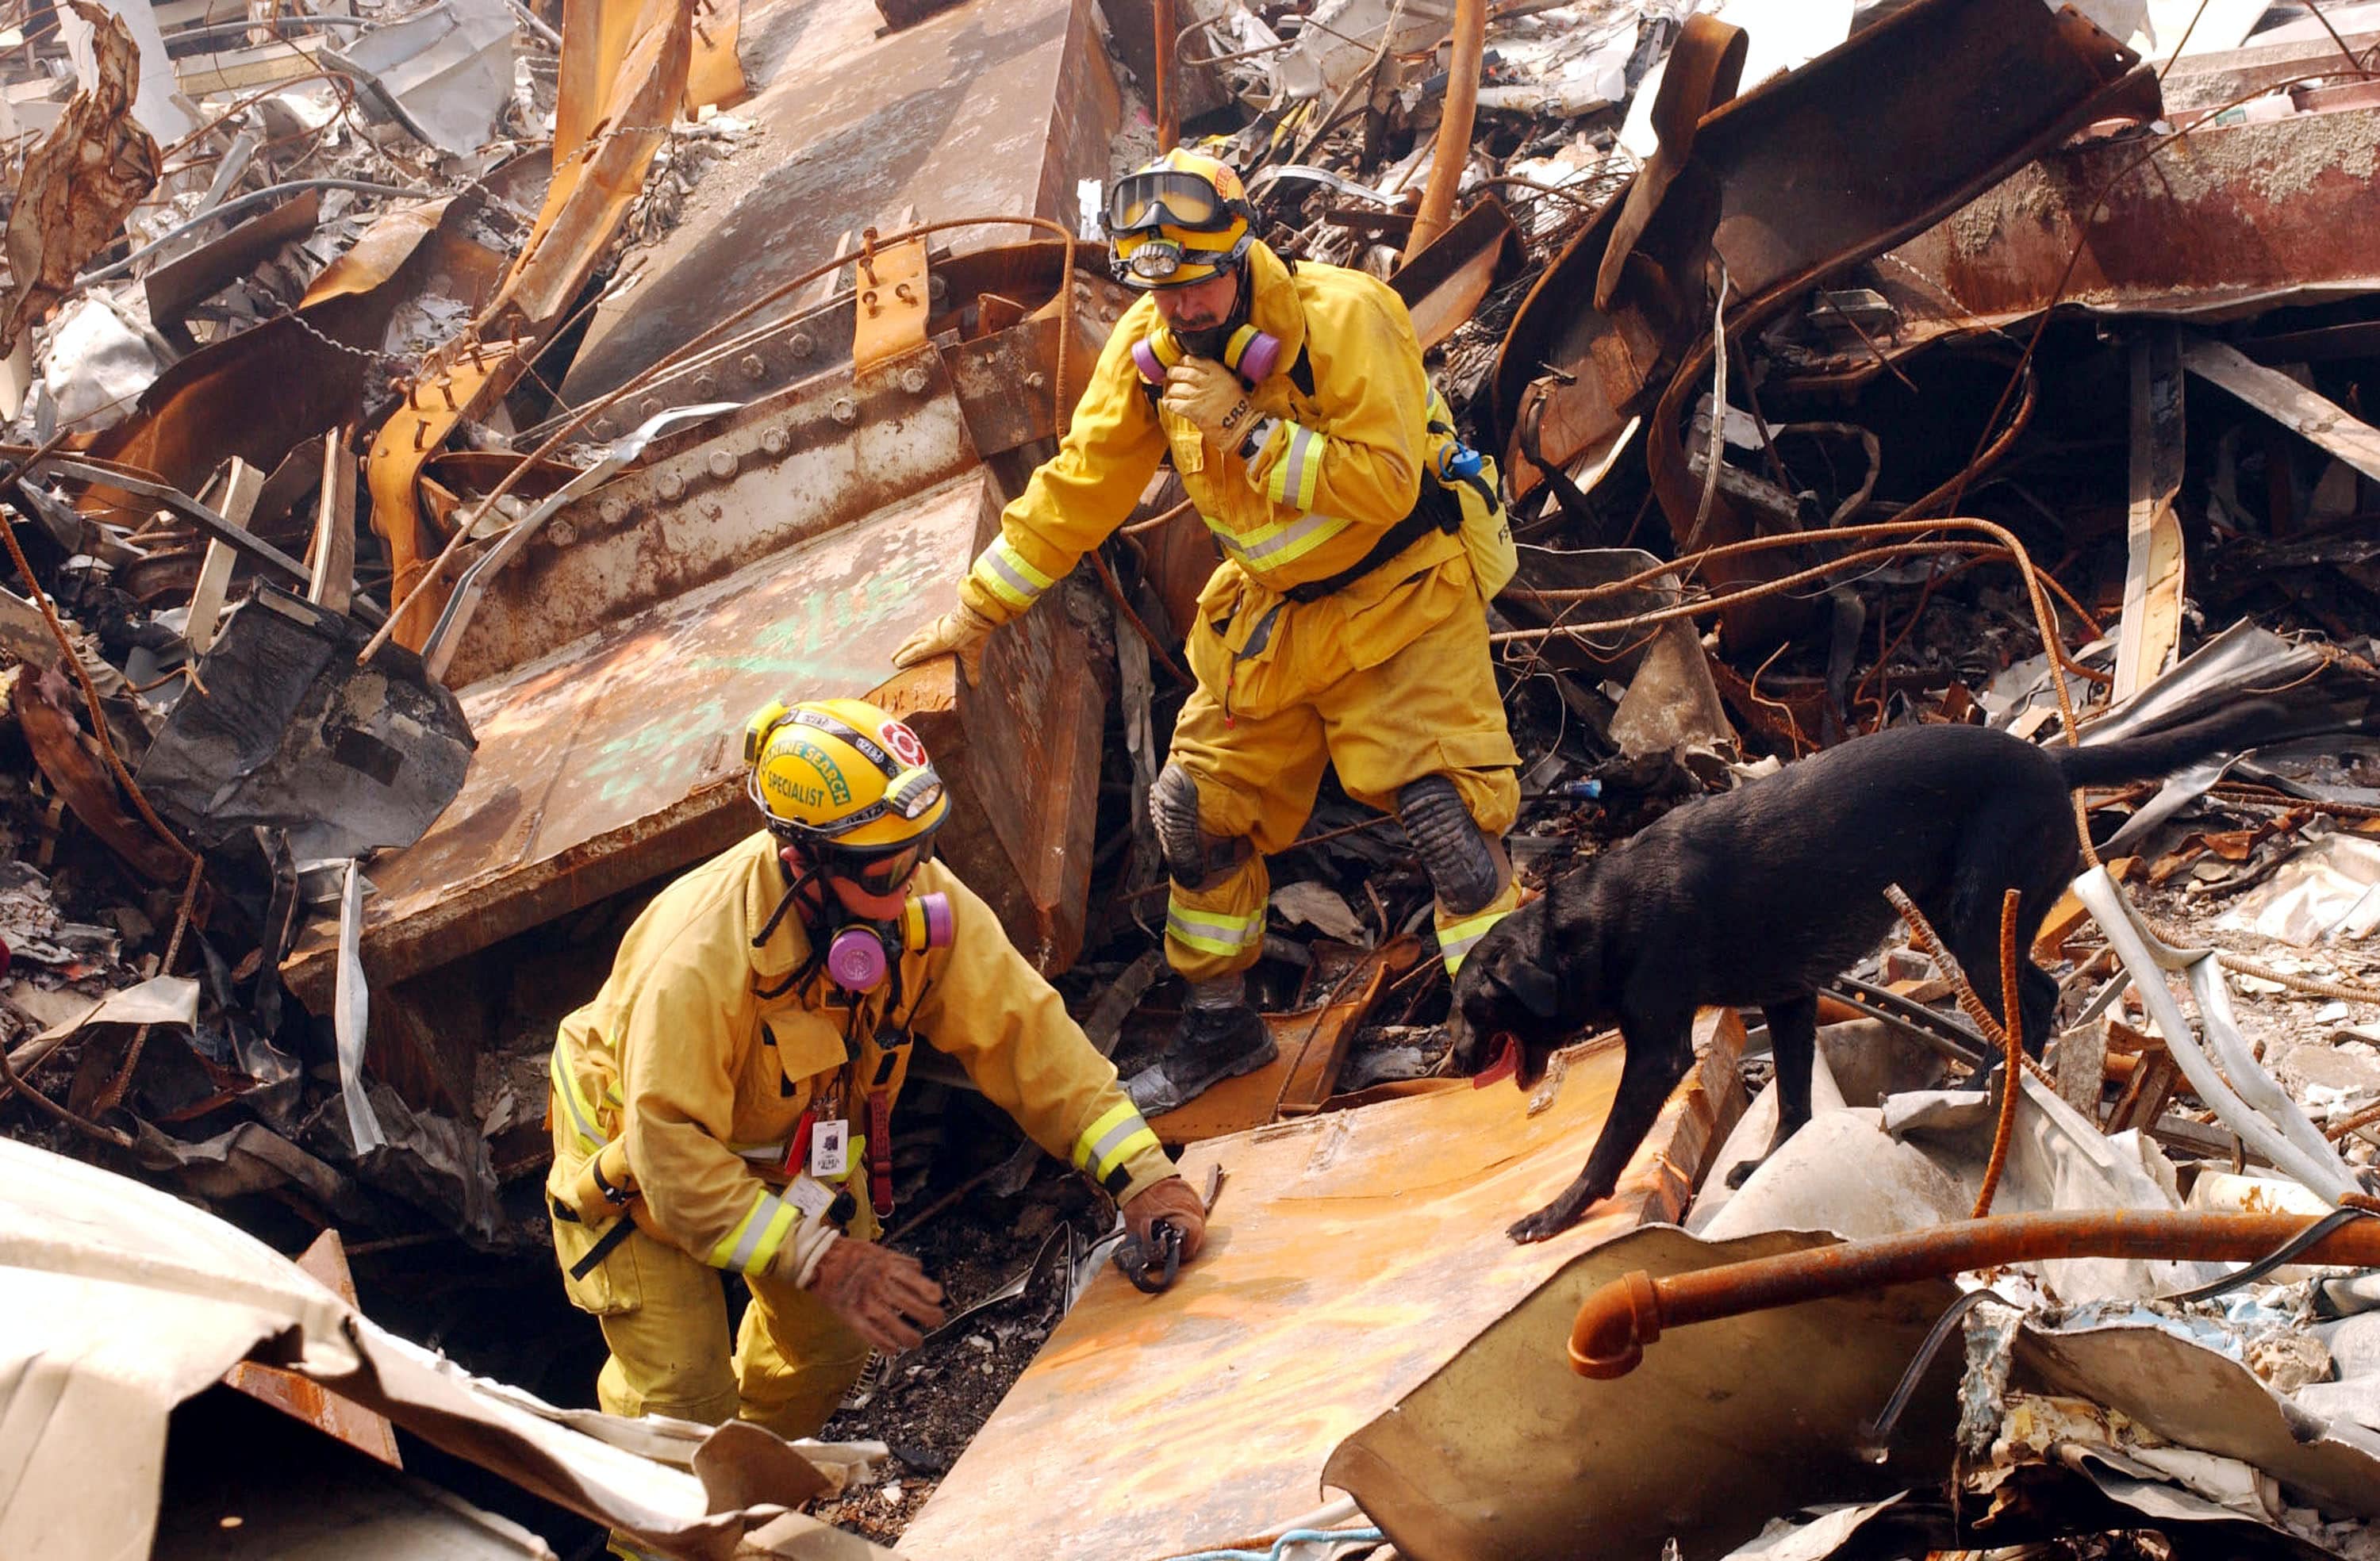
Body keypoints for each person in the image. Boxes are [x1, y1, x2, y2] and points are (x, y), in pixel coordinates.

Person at [892, 148, 1524, 1114]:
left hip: (1400, 591)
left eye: (1196, 285)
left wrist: (1255, 432)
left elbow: (1387, 483)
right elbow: (1077, 491)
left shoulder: (1346, 319)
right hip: (1275, 615)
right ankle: (1221, 1029)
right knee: (1194, 811)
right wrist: (978, 613)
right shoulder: (1150, 354)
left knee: (1447, 822)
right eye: (1160, 291)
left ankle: (1506, 1029)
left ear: (1243, 251)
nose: (1181, 311)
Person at [546, 697, 1205, 1501]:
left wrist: (1142, 1175)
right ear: (803, 862)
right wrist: (819, 1256)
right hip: (636, 1167)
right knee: (683, 1405)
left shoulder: (917, 901)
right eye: (886, 866)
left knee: (824, 1354)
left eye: (920, 849)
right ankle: (669, 1542)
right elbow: (670, 1154)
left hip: (788, 1144)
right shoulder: (697, 959)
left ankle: (753, 1501)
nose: (914, 882)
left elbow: (1029, 1039)